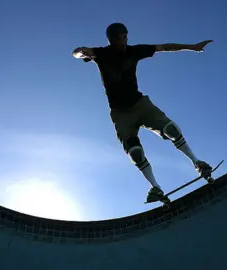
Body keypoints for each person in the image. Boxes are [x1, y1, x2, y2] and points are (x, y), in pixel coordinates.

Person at [72, 22, 214, 203]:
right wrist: (80, 52)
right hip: (120, 114)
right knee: (135, 152)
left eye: (124, 38)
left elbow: (165, 47)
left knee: (171, 129)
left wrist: (192, 47)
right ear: (110, 40)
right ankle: (155, 187)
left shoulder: (135, 51)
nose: (122, 43)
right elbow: (76, 53)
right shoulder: (101, 54)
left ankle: (197, 163)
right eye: (118, 39)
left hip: (141, 104)